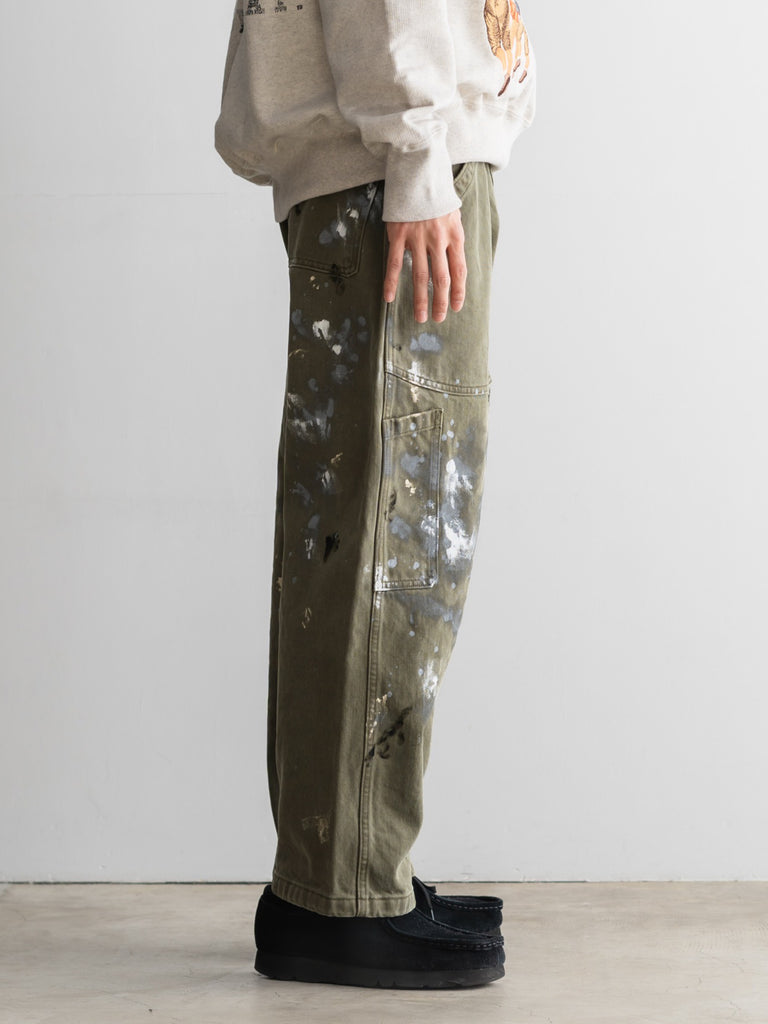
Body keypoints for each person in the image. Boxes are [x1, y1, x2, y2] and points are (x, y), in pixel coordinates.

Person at [214, 0, 536, 989]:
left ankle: (343, 868)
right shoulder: (406, 153)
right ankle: (340, 890)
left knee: (364, 521)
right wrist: (418, 153)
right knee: (397, 532)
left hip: (380, 160)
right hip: (389, 166)